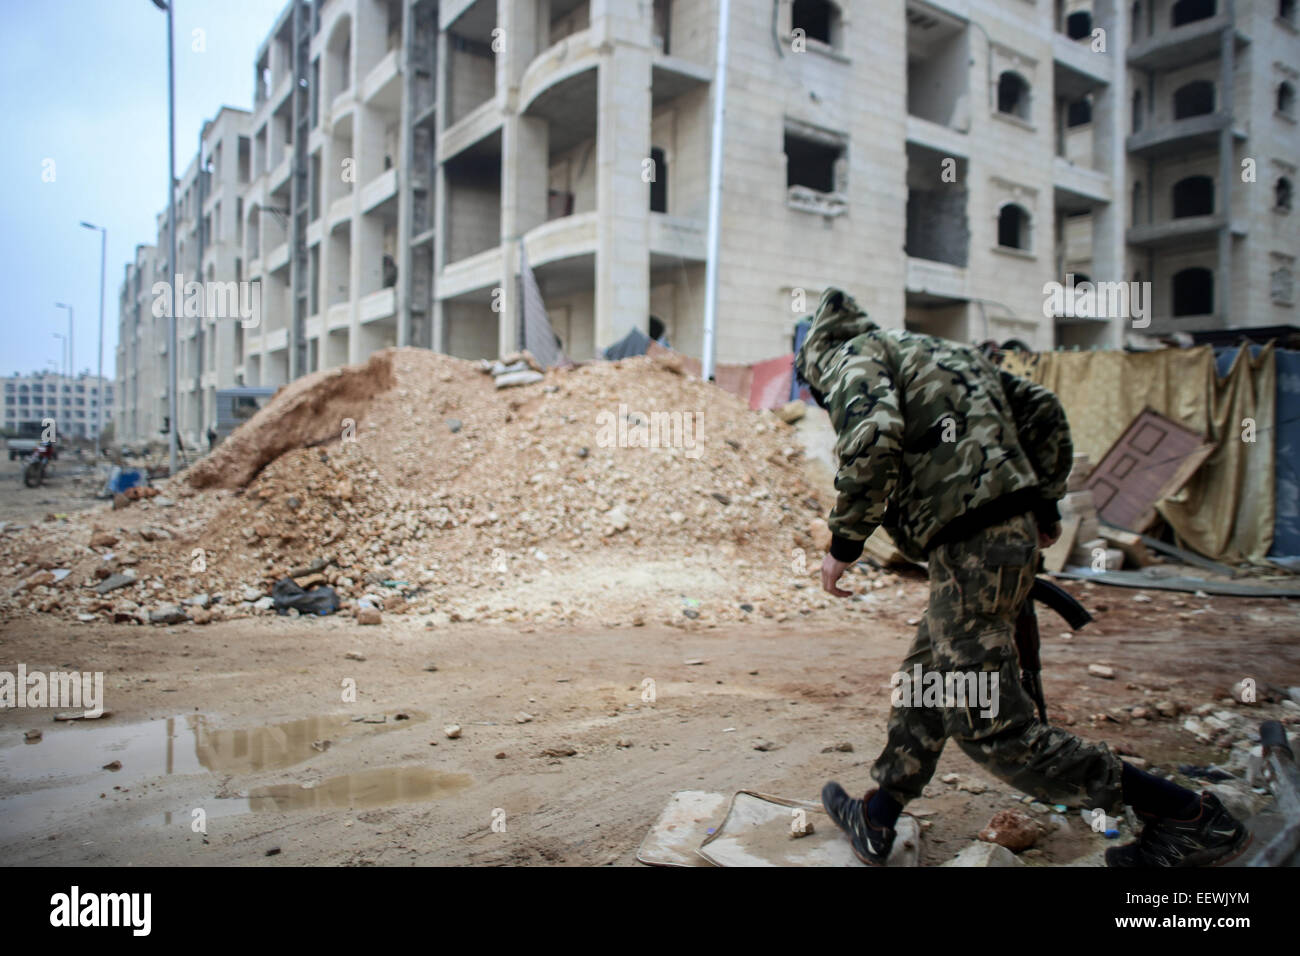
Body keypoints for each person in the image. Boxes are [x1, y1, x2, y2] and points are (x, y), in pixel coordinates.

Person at [795, 287, 1252, 868]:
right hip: (990, 539)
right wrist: (1042, 505)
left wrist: (845, 542)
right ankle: (880, 814)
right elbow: (1040, 406)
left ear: (817, 362)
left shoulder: (848, 356)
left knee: (990, 727)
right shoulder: (942, 351)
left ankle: (1191, 819)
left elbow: (873, 435)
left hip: (970, 544)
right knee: (925, 679)